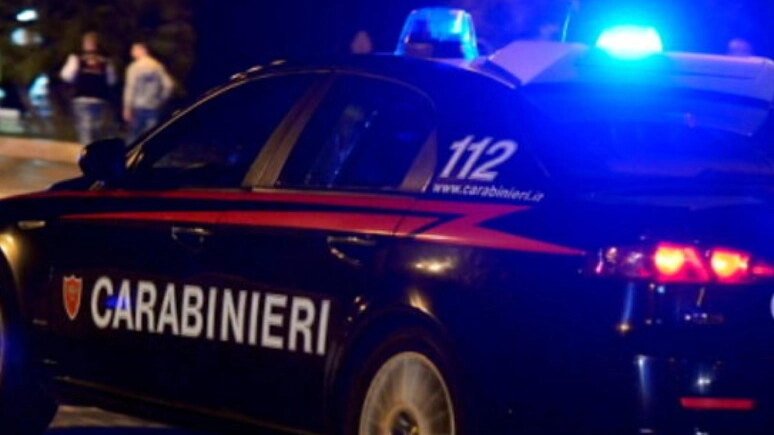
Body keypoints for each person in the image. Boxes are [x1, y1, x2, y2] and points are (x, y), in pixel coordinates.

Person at [60, 31, 117, 145]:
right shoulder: (105, 60)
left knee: (85, 130)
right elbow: (112, 80)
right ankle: (95, 154)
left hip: (82, 97)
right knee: (96, 129)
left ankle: (87, 156)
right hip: (99, 98)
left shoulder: (76, 58)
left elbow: (66, 75)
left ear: (84, 44)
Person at [123, 41, 174, 143]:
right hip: (153, 106)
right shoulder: (157, 66)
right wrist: (162, 99)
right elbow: (169, 85)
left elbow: (130, 88)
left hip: (138, 106)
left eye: (134, 50)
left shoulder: (134, 67)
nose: (132, 53)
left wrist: (127, 107)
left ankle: (130, 157)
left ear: (141, 50)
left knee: (134, 136)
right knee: (151, 137)